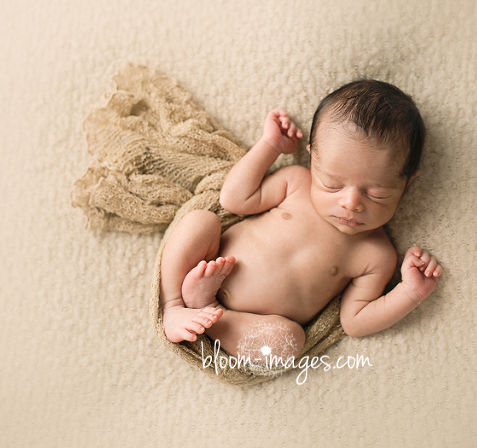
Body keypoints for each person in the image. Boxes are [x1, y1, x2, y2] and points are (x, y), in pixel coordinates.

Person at [160, 80, 442, 362]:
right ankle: (174, 304)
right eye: (332, 184)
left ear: (407, 185)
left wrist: (410, 292)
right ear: (312, 158)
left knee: (289, 343)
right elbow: (233, 199)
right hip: (210, 262)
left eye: (376, 193)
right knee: (200, 222)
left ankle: (209, 313)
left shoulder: (376, 255)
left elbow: (354, 321)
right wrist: (270, 145)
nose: (351, 203)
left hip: (249, 325)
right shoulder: (295, 182)